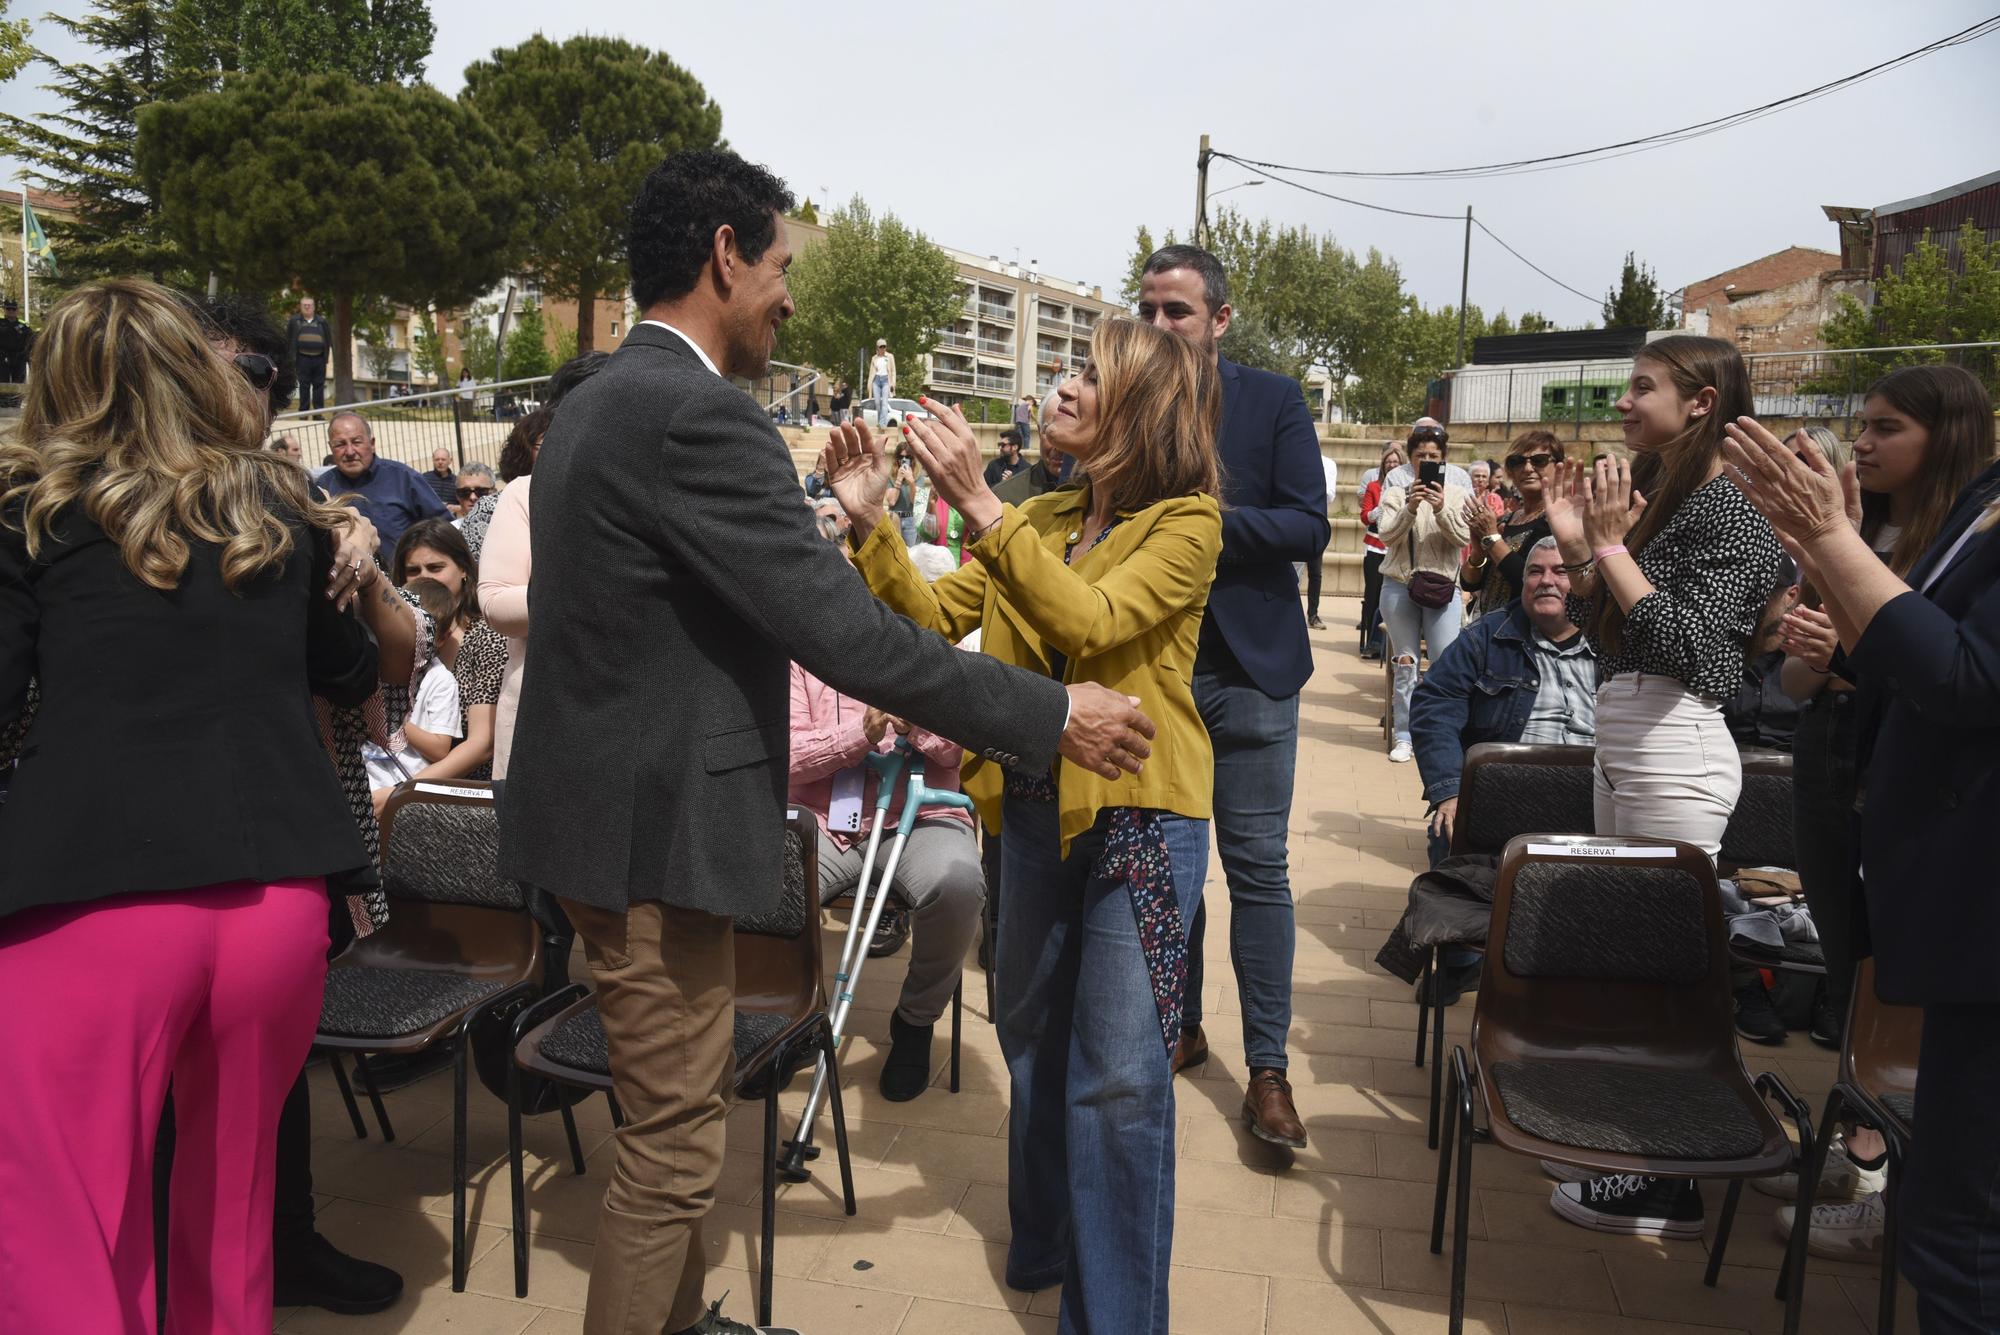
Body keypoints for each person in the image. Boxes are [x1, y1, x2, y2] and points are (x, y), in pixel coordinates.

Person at [496, 148, 1152, 1335]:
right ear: (724, 256)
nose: (790, 298)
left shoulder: (599, 401)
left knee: (674, 1124)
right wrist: (1050, 715)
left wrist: (841, 525)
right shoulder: (698, 415)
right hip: (650, 843)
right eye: (781, 266)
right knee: (673, 1156)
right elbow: (848, 640)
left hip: (598, 822)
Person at [826, 314, 1221, 1335]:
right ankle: (1043, 1243)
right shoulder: (1038, 517)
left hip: (1141, 820)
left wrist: (973, 502)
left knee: (1121, 1085)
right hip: (1028, 811)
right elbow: (924, 623)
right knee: (1033, 1045)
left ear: (1137, 410)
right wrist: (871, 525)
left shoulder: (1185, 523)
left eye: (1086, 378)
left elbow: (1089, 625)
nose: (1062, 388)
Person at [0, 278, 378, 1333]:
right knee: (228, 1227)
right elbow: (349, 672)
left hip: (88, 897)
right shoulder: (275, 509)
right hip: (276, 906)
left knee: (65, 1236)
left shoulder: (31, 508)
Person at [1720, 372, 2000, 1335]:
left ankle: (1874, 1169)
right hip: (1885, 818)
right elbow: (1810, 672)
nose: (1868, 442)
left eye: (1892, 427)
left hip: (1966, 881)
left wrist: (1828, 543)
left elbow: (1964, 674)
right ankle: (1874, 1163)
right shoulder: (1979, 504)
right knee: (1873, 1014)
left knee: (1964, 1230)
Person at [190, 290, 415, 1318]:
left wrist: (355, 560)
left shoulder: (296, 504)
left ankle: (285, 1242)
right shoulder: (76, 504)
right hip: (126, 840)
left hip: (280, 811)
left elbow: (385, 663)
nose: (227, 394)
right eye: (206, 367)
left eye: (250, 375)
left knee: (271, 1075)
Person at [1541, 333, 1785, 1241]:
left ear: (1702, 402)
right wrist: (1580, 547)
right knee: (1628, 959)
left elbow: (1695, 652)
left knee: (1662, 973)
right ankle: (1629, 1142)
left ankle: (1666, 1173)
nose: (1623, 403)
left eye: (1642, 388)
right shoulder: (1680, 502)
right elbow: (1616, 635)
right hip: (1633, 736)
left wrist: (1608, 546)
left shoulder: (1735, 509)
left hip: (1674, 747)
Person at [1137, 244, 1327, 1149]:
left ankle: (1269, 1072)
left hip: (1250, 674)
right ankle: (1177, 1027)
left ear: (1218, 319)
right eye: (1148, 310)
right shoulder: (1127, 397)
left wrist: (1201, 524)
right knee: (1170, 874)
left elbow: (1307, 523)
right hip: (1152, 678)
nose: (1160, 326)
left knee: (1257, 871)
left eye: (1177, 310)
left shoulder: (1275, 399)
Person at [789, 652, 983, 1100]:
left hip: (923, 814)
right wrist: (859, 733)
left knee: (957, 885)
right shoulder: (801, 654)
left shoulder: (929, 642)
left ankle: (915, 1022)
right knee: (770, 882)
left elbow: (960, 749)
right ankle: (791, 1022)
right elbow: (789, 755)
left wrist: (915, 720)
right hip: (824, 818)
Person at [1412, 538, 1598, 867]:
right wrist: (1451, 791)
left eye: (1561, 571)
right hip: (1508, 798)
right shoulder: (1485, 637)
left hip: (1596, 800)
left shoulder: (1613, 644)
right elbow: (1435, 707)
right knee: (1453, 844)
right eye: (1535, 572)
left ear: (1586, 581)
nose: (1546, 581)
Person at [477, 353, 611, 784]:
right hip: (544, 738)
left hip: (640, 740)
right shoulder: (525, 494)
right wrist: (598, 592)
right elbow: (496, 602)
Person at [1377, 429, 1472, 764]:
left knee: (1445, 664)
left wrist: (1442, 507)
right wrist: (1411, 508)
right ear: (1411, 458)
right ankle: (1404, 736)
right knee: (1406, 662)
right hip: (1399, 585)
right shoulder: (1395, 492)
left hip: (1443, 586)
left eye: (1434, 456)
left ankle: (1441, 735)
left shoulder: (1458, 493)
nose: (1427, 461)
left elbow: (1462, 539)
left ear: (1443, 459)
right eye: (1421, 456)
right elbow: (1386, 535)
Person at [392, 518, 504, 783]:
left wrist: (401, 793)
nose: (424, 578)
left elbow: (482, 745)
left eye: (435, 567)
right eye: (413, 570)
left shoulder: (487, 635)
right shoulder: (398, 638)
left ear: (464, 569)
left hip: (468, 790)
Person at [363, 578, 462, 811]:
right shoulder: (372, 665)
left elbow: (440, 749)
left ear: (442, 638)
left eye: (422, 633)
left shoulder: (440, 680)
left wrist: (391, 717)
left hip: (406, 797)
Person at [1460, 430, 1563, 620]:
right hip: (1489, 627)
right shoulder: (1506, 520)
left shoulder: (1558, 521)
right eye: (1518, 462)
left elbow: (1529, 579)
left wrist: (1492, 538)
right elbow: (1469, 584)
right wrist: (1477, 554)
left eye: (1539, 460)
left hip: (1526, 632)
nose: (1527, 468)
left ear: (1558, 468)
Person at [319, 411, 449, 556]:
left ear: (372, 443)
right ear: (331, 448)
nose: (349, 451)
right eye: (340, 444)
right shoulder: (320, 489)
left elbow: (443, 527)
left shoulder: (404, 478)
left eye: (356, 442)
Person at [1358, 442, 1405, 660]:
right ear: (1383, 466)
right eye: (1388, 462)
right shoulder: (1374, 488)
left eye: (1396, 462)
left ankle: (1389, 644)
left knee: (1395, 598)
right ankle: (1371, 642)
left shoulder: (1407, 487)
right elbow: (1365, 516)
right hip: (1375, 547)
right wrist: (1383, 507)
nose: (1392, 465)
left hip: (1397, 549)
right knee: (1373, 596)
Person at [993, 393, 1070, 506]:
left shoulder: (1100, 496)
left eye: (1070, 432)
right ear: (1039, 432)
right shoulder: (1004, 497)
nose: (1059, 448)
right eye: (1050, 432)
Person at [1305, 446, 1339, 629]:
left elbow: (1330, 495)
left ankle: (1313, 614)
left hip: (1316, 520)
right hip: (1294, 516)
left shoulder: (1328, 464)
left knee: (1315, 573)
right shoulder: (1293, 459)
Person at [287, 296, 330, 413]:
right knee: (304, 386)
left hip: (319, 359)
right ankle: (304, 413)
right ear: (301, 307)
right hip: (302, 358)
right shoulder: (294, 321)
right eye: (304, 305)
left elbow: (328, 339)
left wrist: (326, 357)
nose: (307, 307)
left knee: (319, 386)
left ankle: (318, 413)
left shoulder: (322, 322)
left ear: (314, 307)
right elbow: (289, 339)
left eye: (309, 305)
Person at [0, 297, 32, 401]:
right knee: (2, 380)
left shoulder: (23, 327)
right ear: (5, 310)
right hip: (2, 357)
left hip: (19, 357)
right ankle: (3, 403)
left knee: (18, 381)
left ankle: (16, 402)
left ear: (17, 310)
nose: (11, 312)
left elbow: (29, 342)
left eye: (13, 309)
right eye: (8, 309)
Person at [870, 337, 896, 424]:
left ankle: (882, 423)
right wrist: (869, 384)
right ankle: (880, 421)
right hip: (876, 380)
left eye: (884, 347)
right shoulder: (874, 358)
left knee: (885, 403)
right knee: (877, 403)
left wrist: (893, 383)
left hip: (886, 380)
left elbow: (893, 371)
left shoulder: (890, 356)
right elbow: (871, 372)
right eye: (881, 347)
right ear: (877, 348)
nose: (883, 348)